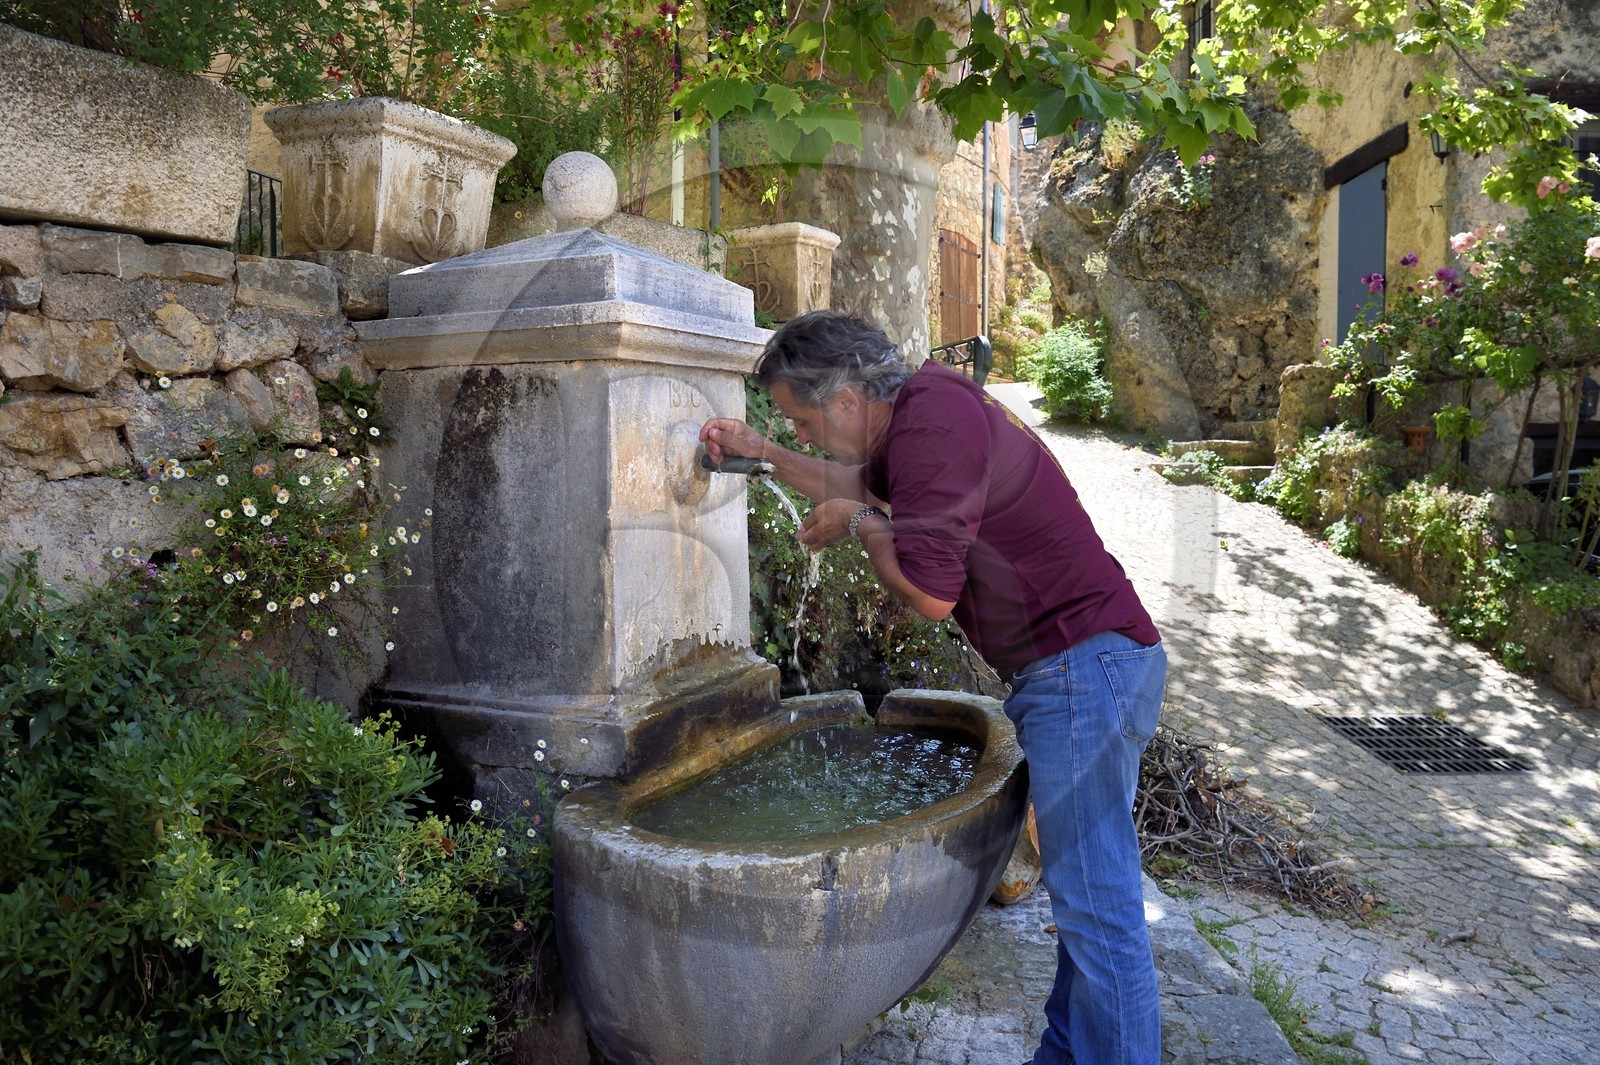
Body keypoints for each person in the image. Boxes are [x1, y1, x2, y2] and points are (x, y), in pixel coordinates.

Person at [700, 310, 1167, 1065]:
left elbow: (928, 590)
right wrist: (765, 453)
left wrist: (860, 523)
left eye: (801, 417)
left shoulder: (931, 430)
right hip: (1083, 666)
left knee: (1100, 915)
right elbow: (855, 481)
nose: (804, 432)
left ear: (848, 400)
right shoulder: (921, 413)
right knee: (1086, 909)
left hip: (1085, 668)